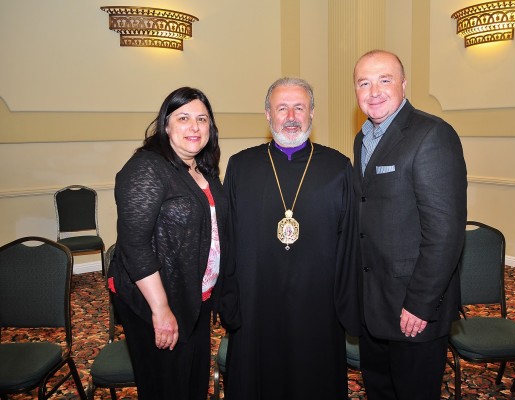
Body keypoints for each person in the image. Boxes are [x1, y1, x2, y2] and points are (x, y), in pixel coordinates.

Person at [223, 77, 360, 400]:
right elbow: (226, 241)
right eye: (281, 108)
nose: (291, 117)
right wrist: (229, 300)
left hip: (318, 305)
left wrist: (347, 306)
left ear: (312, 113)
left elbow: (351, 245)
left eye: (299, 107)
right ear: (267, 115)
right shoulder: (241, 167)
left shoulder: (338, 168)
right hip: (256, 303)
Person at [108, 87, 240, 400]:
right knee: (167, 386)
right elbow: (134, 246)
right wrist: (161, 309)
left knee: (193, 378)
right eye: (183, 118)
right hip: (156, 297)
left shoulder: (203, 169)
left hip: (195, 295)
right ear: (165, 125)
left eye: (202, 119)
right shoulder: (147, 167)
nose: (194, 126)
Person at [352, 50, 467, 400]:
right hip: (374, 303)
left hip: (413, 307)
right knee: (380, 390)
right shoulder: (363, 138)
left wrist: (420, 303)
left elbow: (445, 233)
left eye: (384, 80)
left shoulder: (432, 134)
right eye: (364, 83)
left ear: (403, 84)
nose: (374, 91)